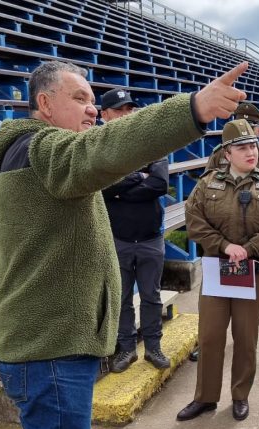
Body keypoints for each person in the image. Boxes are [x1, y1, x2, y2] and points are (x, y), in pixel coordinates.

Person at [0, 59, 248, 429]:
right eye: (79, 98)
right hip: (48, 349)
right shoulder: (44, 149)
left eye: (92, 98)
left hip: (47, 341)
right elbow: (104, 151)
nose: (92, 107)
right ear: (44, 105)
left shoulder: (17, 161)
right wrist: (190, 111)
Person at [176, 119, 259, 421]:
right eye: (242, 147)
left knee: (245, 337)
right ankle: (205, 397)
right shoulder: (207, 184)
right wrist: (224, 246)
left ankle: (240, 395)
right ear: (227, 153)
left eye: (252, 145)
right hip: (218, 270)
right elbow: (194, 220)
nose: (250, 152)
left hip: (253, 272)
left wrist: (248, 250)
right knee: (211, 336)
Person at [100, 88, 172, 373]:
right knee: (121, 297)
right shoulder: (100, 145)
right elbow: (103, 186)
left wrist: (120, 187)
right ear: (104, 115)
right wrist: (139, 177)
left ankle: (153, 347)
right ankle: (127, 347)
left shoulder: (151, 143)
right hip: (117, 237)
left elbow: (160, 185)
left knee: (152, 295)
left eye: (129, 109)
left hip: (150, 236)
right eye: (118, 110)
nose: (125, 114)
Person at [205, 101, 259, 175]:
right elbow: (206, 182)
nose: (245, 133)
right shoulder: (219, 154)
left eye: (249, 129)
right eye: (240, 128)